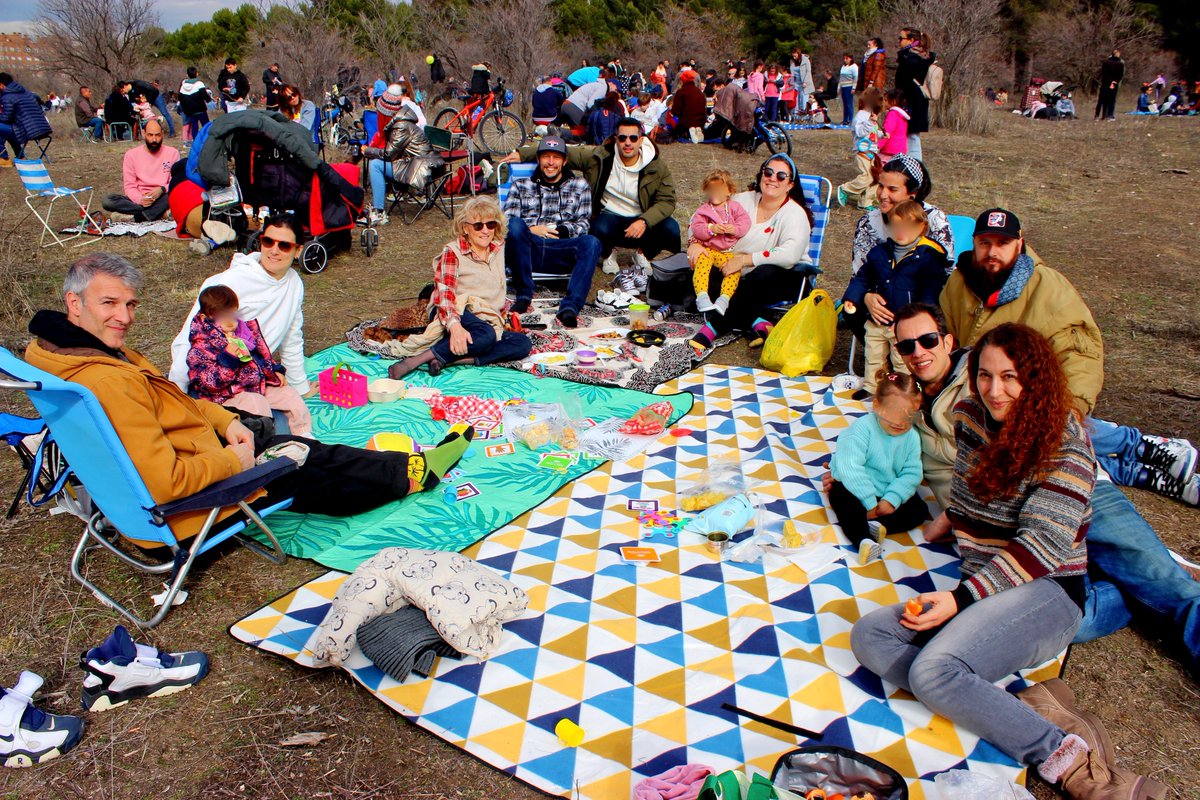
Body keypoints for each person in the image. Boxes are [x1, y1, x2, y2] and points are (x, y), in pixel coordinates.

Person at [851, 322, 1168, 799]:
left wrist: (960, 599)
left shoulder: (1065, 448)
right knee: (869, 636)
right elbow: (964, 490)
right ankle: (1015, 703)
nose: (994, 390)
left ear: (1035, 379)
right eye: (984, 375)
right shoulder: (970, 416)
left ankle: (1071, 760)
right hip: (985, 587)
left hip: (1049, 591)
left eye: (1010, 377)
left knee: (932, 672)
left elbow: (1039, 548)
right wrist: (950, 521)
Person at [846, 303, 1200, 680]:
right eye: (906, 346)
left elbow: (1058, 421)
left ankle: (1150, 570)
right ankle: (1123, 580)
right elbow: (887, 448)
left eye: (927, 340)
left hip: (1076, 496)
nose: (918, 352)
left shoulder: (983, 371)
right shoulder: (909, 400)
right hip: (1002, 522)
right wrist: (851, 477)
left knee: (1168, 591)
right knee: (1056, 622)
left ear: (948, 341)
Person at [27, 253, 476, 550]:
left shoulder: (63, 357)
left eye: (129, 304)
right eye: (110, 303)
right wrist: (235, 459)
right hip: (186, 508)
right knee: (308, 462)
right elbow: (165, 483)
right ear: (74, 302)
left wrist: (223, 422)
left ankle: (407, 472)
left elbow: (169, 400)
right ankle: (417, 472)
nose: (123, 317)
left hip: (192, 460)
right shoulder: (106, 380)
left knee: (306, 461)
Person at [941, 207, 1199, 506]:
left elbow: (1080, 351)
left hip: (1031, 394)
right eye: (985, 242)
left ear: (1019, 244)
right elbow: (950, 337)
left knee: (1051, 432)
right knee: (1030, 460)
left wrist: (1072, 409)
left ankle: (1140, 446)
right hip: (983, 391)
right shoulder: (958, 283)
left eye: (1002, 243)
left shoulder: (1046, 287)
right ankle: (1141, 472)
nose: (992, 252)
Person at [503, 117, 680, 294]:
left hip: (642, 216)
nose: (628, 143)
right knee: (598, 227)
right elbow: (561, 154)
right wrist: (523, 154)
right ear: (616, 138)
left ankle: (642, 254)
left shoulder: (656, 166)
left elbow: (667, 200)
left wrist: (644, 220)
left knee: (671, 228)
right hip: (610, 215)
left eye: (633, 138)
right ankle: (608, 253)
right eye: (622, 138)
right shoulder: (600, 157)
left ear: (641, 140)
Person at [388, 197, 532, 377]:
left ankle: (448, 359)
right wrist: (455, 326)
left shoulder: (499, 247)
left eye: (490, 224)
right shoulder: (453, 252)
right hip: (455, 307)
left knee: (522, 344)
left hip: (485, 314)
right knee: (486, 335)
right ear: (466, 228)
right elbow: (445, 295)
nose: (485, 230)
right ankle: (414, 361)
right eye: (478, 226)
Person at [169, 216, 311, 398]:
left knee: (286, 417)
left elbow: (292, 337)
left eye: (284, 245)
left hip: (253, 376)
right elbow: (191, 336)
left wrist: (300, 387)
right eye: (268, 242)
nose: (274, 251)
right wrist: (177, 391)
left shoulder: (294, 283)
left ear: (298, 250)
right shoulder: (231, 282)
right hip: (217, 379)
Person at [686, 154, 813, 355]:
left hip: (784, 276)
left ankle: (716, 326)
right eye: (768, 172)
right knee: (698, 271)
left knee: (762, 274)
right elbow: (697, 219)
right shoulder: (741, 200)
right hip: (735, 272)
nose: (773, 179)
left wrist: (745, 260)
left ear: (790, 185)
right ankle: (756, 321)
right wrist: (694, 243)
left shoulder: (794, 214)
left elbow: (790, 255)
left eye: (781, 176)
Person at [843, 200, 950, 392]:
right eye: (896, 225)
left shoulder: (928, 257)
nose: (901, 231)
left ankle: (905, 389)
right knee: (873, 355)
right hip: (877, 319)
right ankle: (872, 388)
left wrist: (915, 321)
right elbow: (863, 277)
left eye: (908, 226)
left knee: (902, 360)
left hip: (905, 324)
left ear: (922, 227)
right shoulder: (880, 252)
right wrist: (852, 297)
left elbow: (929, 293)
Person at [186, 284, 313, 436]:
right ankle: (265, 444)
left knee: (289, 394)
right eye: (223, 316)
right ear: (206, 317)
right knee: (255, 403)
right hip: (227, 395)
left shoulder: (243, 332)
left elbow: (262, 355)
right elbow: (210, 384)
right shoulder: (201, 347)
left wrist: (274, 371)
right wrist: (228, 359)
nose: (230, 320)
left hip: (256, 384)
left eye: (232, 314)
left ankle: (304, 434)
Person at [829, 369, 926, 563]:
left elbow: (912, 473)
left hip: (887, 490)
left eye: (908, 417)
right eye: (894, 415)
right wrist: (869, 502)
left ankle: (878, 525)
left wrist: (892, 499)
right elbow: (850, 468)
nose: (900, 423)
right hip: (857, 487)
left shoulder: (911, 437)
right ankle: (863, 539)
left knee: (919, 510)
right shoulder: (861, 429)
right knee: (842, 498)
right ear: (876, 406)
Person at [502, 135, 600, 327]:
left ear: (564, 161)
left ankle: (570, 307)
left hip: (562, 248)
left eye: (556, 157)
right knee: (514, 225)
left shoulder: (579, 185)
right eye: (546, 156)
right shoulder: (520, 186)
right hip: (529, 249)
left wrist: (564, 230)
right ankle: (524, 294)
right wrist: (532, 230)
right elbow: (506, 223)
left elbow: (584, 223)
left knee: (592, 242)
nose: (550, 162)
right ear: (538, 159)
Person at [850, 155, 954, 274]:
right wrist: (868, 293)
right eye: (881, 186)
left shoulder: (934, 220)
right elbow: (859, 273)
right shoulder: (868, 223)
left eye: (892, 189)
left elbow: (944, 274)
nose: (883, 195)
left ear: (912, 193)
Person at [362, 84, 436, 227]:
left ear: (386, 112)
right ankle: (379, 208)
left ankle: (379, 211)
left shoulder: (401, 126)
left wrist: (368, 151)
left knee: (376, 164)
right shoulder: (400, 121)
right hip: (415, 163)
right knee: (377, 161)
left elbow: (389, 155)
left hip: (419, 169)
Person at [689, 169, 751, 317]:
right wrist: (711, 228)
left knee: (733, 270)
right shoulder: (704, 210)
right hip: (709, 249)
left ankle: (724, 299)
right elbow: (696, 228)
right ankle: (702, 297)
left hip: (726, 253)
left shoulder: (734, 208)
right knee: (702, 262)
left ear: (729, 191)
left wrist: (734, 229)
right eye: (712, 190)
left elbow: (745, 223)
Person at [101, 120, 179, 223]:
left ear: (162, 135)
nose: (154, 139)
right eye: (150, 135)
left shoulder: (172, 153)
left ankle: (138, 217)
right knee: (108, 200)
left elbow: (176, 181)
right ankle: (159, 213)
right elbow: (130, 186)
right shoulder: (131, 155)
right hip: (140, 200)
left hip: (163, 196)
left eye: (157, 135)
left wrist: (162, 189)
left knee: (176, 194)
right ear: (143, 133)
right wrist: (140, 200)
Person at [836, 87, 883, 209]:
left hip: (872, 152)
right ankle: (845, 189)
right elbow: (860, 132)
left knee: (874, 178)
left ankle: (865, 202)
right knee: (866, 177)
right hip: (862, 152)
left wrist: (882, 134)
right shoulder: (861, 116)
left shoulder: (871, 116)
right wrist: (869, 122)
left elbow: (873, 133)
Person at [894, 28, 934, 160]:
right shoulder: (922, 57)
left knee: (912, 138)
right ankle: (911, 167)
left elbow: (903, 83)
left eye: (901, 38)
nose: (898, 41)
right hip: (916, 103)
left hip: (911, 103)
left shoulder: (911, 59)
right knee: (911, 137)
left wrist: (899, 99)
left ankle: (915, 169)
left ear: (911, 40)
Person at [0, 72, 52, 165]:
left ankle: (3, 158)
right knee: (9, 130)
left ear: (1, 85)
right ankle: (21, 157)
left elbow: (6, 118)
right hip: (43, 128)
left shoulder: (7, 96)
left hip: (28, 131)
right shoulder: (28, 93)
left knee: (4, 129)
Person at [670, 69, 706, 141]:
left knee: (673, 132)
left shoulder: (681, 92)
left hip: (686, 122)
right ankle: (697, 129)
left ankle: (689, 131)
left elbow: (676, 110)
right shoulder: (700, 92)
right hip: (701, 121)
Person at [178, 67, 212, 143]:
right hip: (200, 109)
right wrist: (208, 99)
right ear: (197, 73)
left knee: (194, 127)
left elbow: (180, 98)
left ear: (187, 75)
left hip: (190, 111)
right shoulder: (199, 84)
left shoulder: (183, 85)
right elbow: (204, 95)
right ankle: (208, 141)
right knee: (206, 126)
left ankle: (196, 142)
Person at [876, 88, 909, 159]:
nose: (883, 102)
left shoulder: (892, 114)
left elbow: (887, 133)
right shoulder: (902, 115)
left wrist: (878, 145)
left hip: (889, 150)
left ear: (893, 101)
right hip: (901, 150)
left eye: (885, 100)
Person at [1095, 49, 1124, 120]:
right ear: (1118, 54)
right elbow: (1120, 75)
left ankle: (1099, 115)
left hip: (1105, 83)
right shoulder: (1120, 64)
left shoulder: (1106, 62)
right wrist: (1114, 82)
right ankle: (1110, 115)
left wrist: (1108, 81)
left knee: (1102, 99)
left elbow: (1103, 73)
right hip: (1114, 84)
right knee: (1112, 100)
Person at [789, 49, 814, 119]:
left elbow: (808, 71)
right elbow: (792, 73)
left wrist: (805, 82)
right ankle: (796, 116)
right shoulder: (792, 61)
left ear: (798, 53)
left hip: (804, 83)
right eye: (792, 54)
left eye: (795, 54)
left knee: (803, 99)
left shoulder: (805, 60)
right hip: (796, 84)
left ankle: (804, 116)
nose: (794, 55)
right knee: (796, 100)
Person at [838, 54, 859, 125]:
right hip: (843, 87)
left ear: (850, 59)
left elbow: (855, 78)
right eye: (844, 58)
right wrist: (839, 87)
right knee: (845, 104)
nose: (845, 60)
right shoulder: (843, 66)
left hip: (849, 86)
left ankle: (851, 120)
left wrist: (854, 87)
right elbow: (840, 78)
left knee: (849, 104)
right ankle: (845, 120)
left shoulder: (854, 67)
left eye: (847, 58)